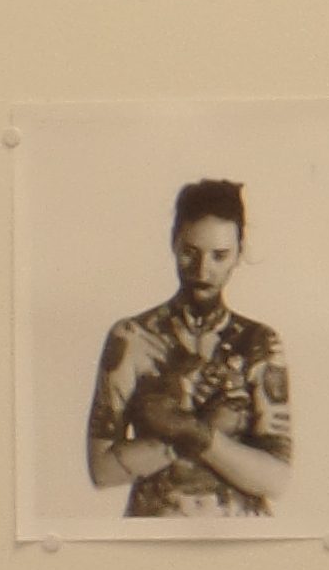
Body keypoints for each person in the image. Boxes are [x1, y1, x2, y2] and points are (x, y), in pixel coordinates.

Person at [85, 177, 296, 518]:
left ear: (239, 252)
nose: (203, 270)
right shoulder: (133, 337)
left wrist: (186, 429)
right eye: (190, 253)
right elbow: (102, 471)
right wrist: (207, 432)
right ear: (174, 242)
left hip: (240, 533)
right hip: (155, 531)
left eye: (219, 256)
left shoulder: (258, 343)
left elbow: (277, 480)